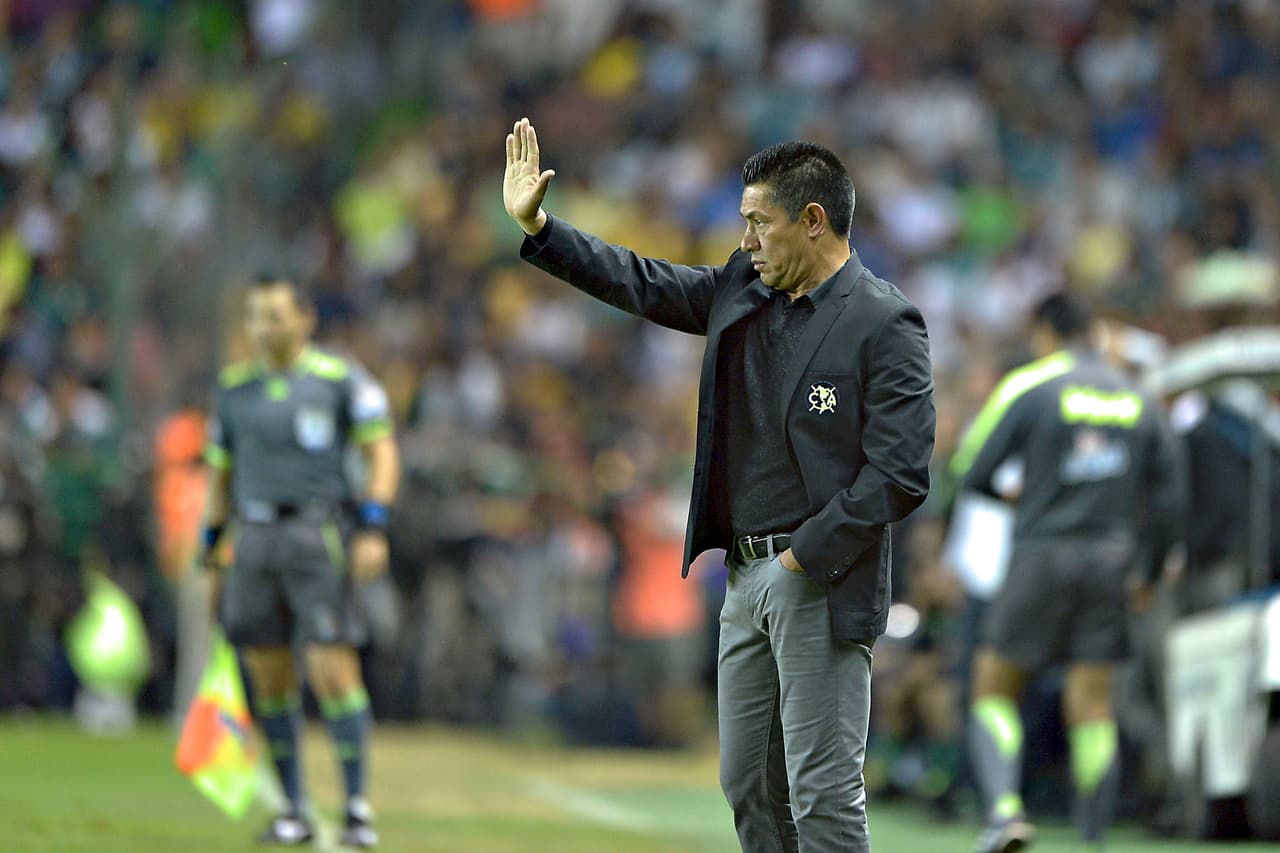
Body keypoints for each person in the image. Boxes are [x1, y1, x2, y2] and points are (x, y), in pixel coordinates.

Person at [504, 117, 935, 852]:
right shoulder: (745, 287)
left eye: (758, 223)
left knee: (824, 796)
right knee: (749, 789)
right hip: (742, 576)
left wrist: (804, 556)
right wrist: (542, 227)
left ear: (812, 220)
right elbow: (643, 281)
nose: (745, 241)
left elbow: (900, 471)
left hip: (820, 581)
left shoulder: (884, 322)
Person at [949, 292, 1187, 853]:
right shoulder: (1140, 398)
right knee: (1093, 703)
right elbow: (1172, 499)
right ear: (1096, 334)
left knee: (993, 689)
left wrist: (1018, 500)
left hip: (1040, 555)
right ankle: (1093, 835)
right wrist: (1148, 571)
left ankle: (1006, 814)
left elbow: (971, 469)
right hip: (1111, 562)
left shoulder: (1032, 386)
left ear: (1045, 334)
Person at [199, 275, 400, 848]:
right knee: (270, 679)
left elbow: (382, 455)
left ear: (305, 318)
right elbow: (221, 474)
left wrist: (373, 526)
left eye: (276, 316)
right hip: (254, 536)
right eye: (257, 317)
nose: (265, 328)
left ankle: (357, 808)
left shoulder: (340, 382)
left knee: (334, 672)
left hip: (319, 534)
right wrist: (211, 541)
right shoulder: (233, 390)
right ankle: (294, 810)